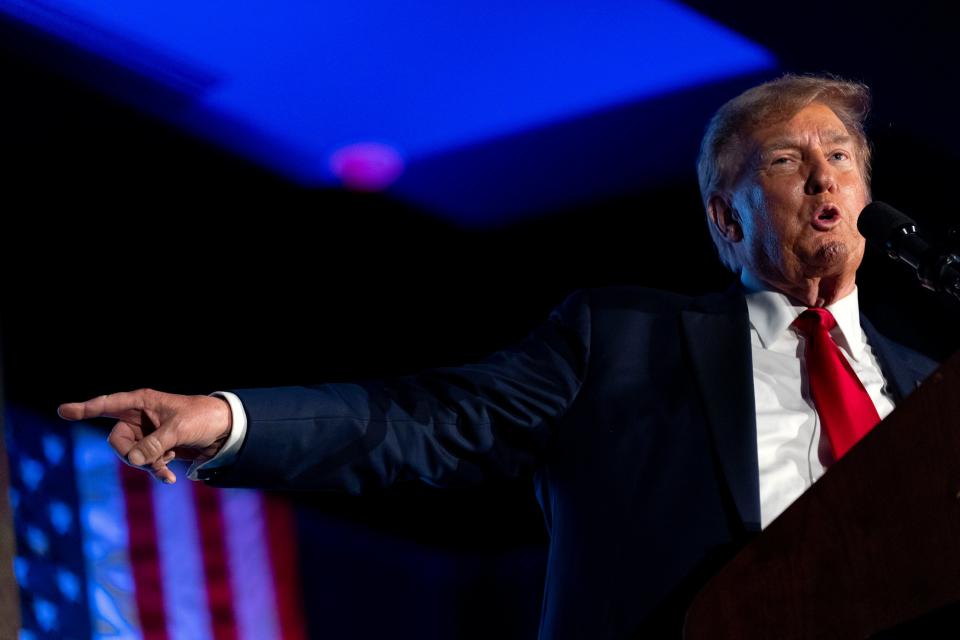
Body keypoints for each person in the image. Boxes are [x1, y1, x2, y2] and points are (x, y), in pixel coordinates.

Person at [58, 74, 940, 639]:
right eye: (787, 159)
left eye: (840, 158)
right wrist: (228, 419)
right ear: (725, 217)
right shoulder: (622, 340)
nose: (824, 178)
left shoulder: (931, 394)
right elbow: (429, 420)